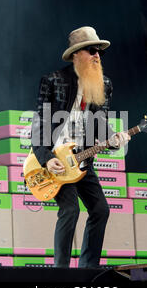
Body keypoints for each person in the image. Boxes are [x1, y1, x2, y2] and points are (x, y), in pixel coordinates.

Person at [30, 26, 130, 268]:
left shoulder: (104, 84)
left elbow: (100, 124)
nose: (97, 55)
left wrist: (113, 139)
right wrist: (45, 158)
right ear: (76, 54)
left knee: (101, 210)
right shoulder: (53, 81)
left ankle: (88, 268)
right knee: (70, 210)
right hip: (55, 158)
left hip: (82, 159)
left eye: (100, 52)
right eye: (92, 50)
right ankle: (61, 271)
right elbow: (39, 125)